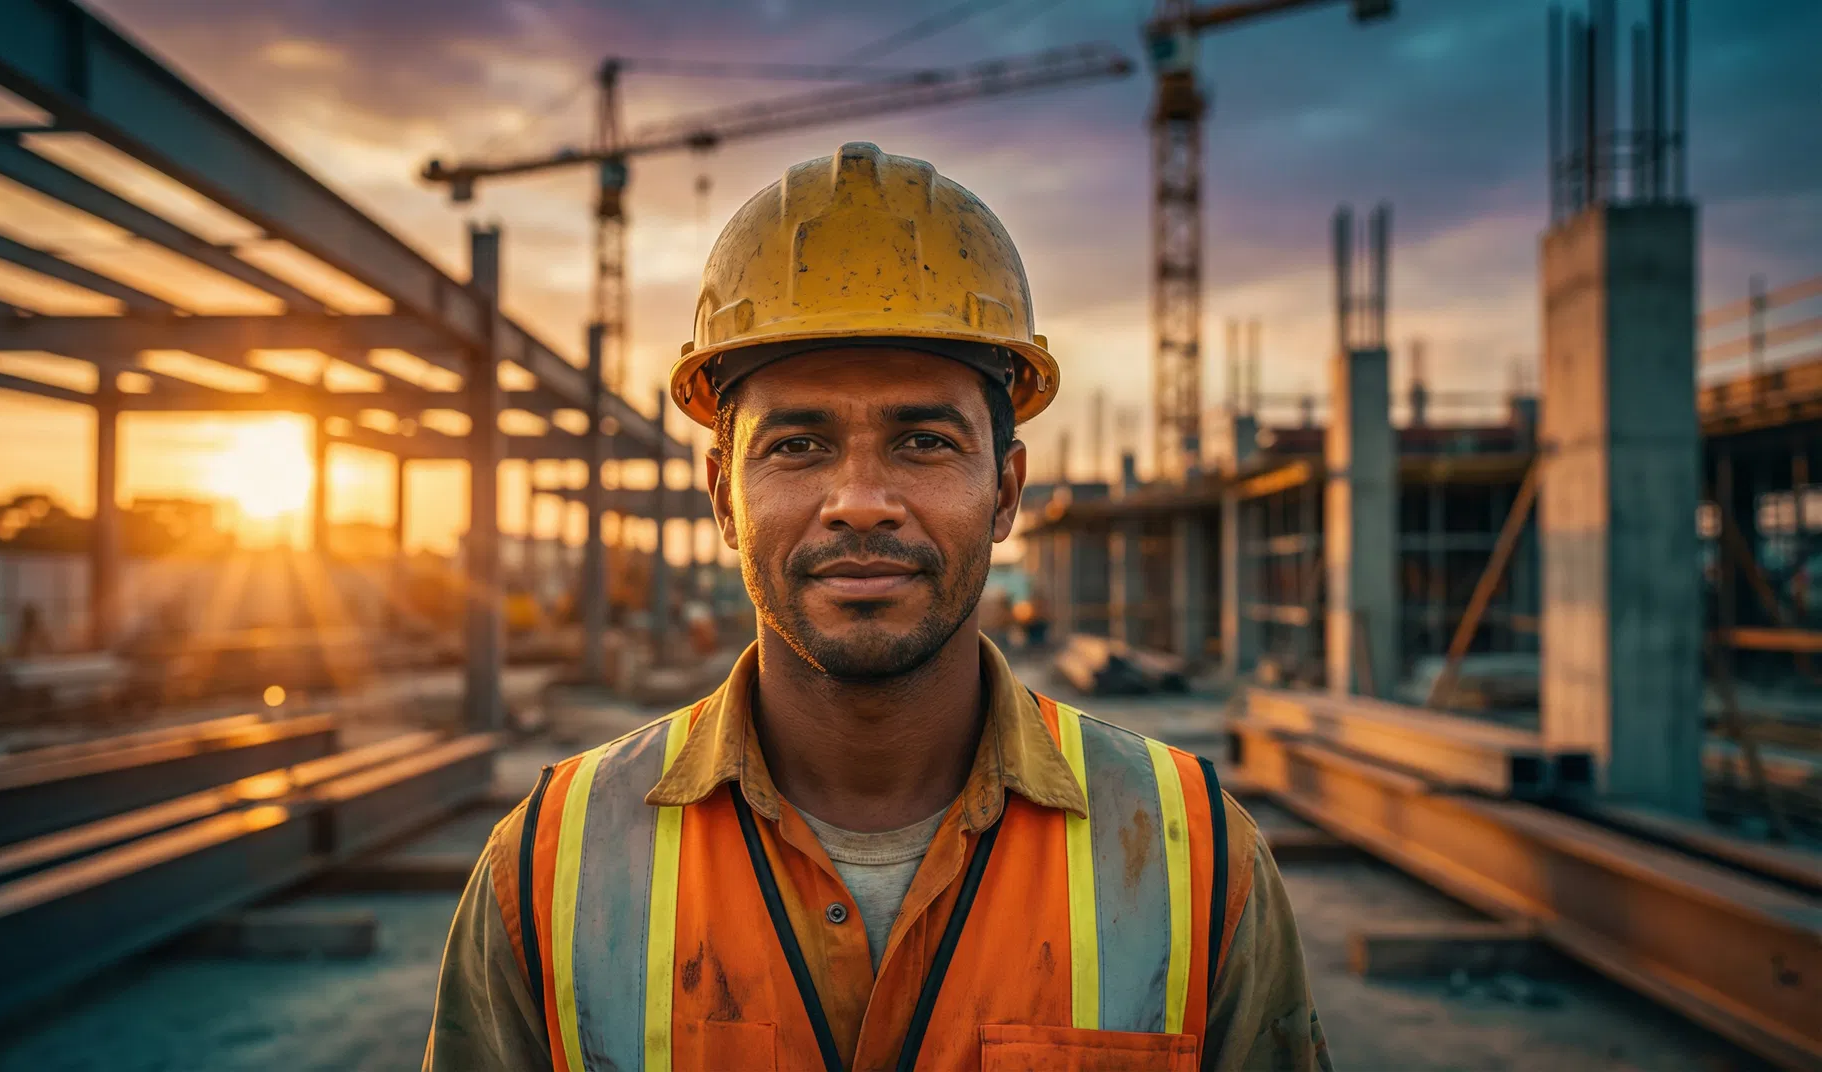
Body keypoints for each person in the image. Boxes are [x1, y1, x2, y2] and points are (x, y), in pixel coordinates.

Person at [427, 142, 1327, 1071]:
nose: (860, 498)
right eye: (798, 445)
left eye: (925, 441)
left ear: (1008, 491)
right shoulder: (546, 868)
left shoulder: (1195, 858)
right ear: (722, 497)